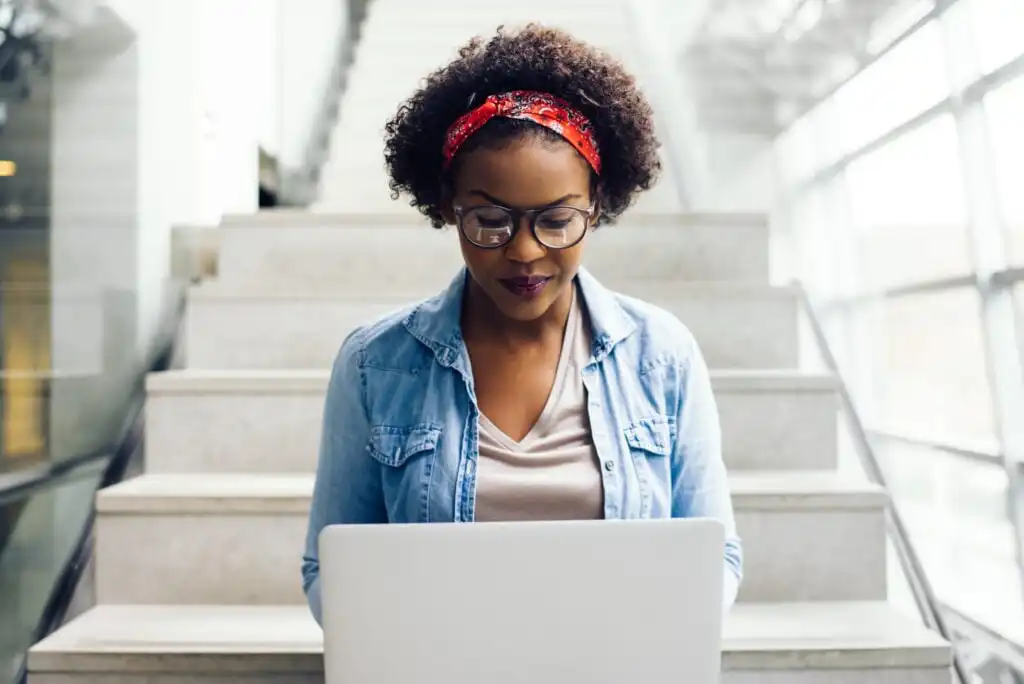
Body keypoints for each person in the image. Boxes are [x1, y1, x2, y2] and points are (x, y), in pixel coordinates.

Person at [302, 23, 742, 625]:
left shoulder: (661, 354)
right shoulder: (375, 363)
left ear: (597, 205)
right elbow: (330, 568)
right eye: (489, 219)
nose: (525, 252)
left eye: (557, 221)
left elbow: (717, 557)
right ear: (446, 207)